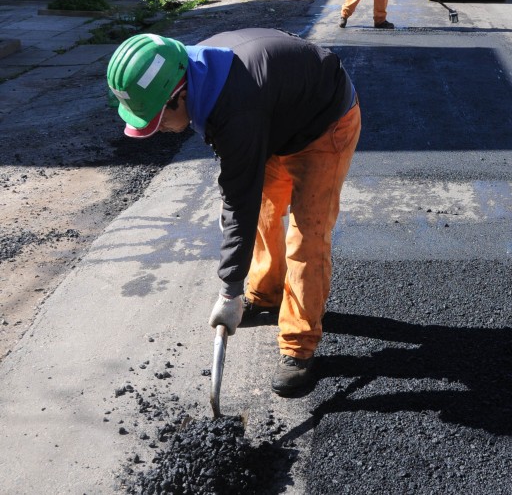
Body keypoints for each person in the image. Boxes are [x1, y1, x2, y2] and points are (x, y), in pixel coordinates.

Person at [106, 29, 361, 396]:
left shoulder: (235, 107)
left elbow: (238, 201)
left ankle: (298, 345)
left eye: (158, 120)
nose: (159, 130)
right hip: (276, 117)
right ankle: (267, 295)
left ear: (179, 96)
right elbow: (244, 195)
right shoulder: (196, 72)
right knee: (264, 213)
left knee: (308, 233)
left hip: (325, 123)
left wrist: (228, 292)